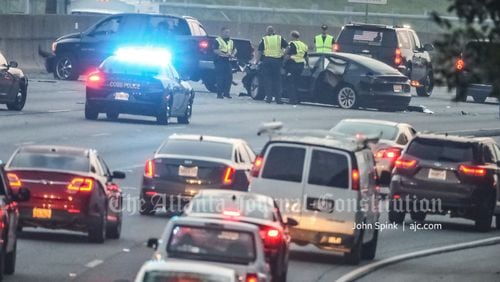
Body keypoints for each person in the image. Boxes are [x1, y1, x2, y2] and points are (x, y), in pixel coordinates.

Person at [255, 26, 288, 104]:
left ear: (267, 32)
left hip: (267, 61)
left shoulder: (264, 39)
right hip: (277, 61)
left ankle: (269, 98)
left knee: (268, 80)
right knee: (277, 80)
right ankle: (278, 99)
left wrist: (257, 62)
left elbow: (260, 51)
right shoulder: (279, 38)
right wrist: (283, 54)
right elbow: (288, 47)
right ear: (274, 31)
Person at [284, 31, 309, 105]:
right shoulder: (303, 45)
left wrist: (284, 63)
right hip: (301, 65)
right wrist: (308, 65)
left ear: (292, 36)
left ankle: (292, 100)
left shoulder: (292, 44)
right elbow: (306, 56)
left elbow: (287, 55)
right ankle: (298, 99)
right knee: (297, 83)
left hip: (293, 64)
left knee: (291, 82)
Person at [214, 27, 236, 99]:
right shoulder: (217, 40)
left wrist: (233, 54)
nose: (227, 34)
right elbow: (215, 50)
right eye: (226, 32)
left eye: (228, 32)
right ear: (222, 32)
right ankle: (219, 94)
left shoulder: (231, 41)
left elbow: (235, 49)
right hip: (220, 60)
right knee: (220, 78)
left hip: (227, 60)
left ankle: (226, 93)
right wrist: (223, 54)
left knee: (229, 77)